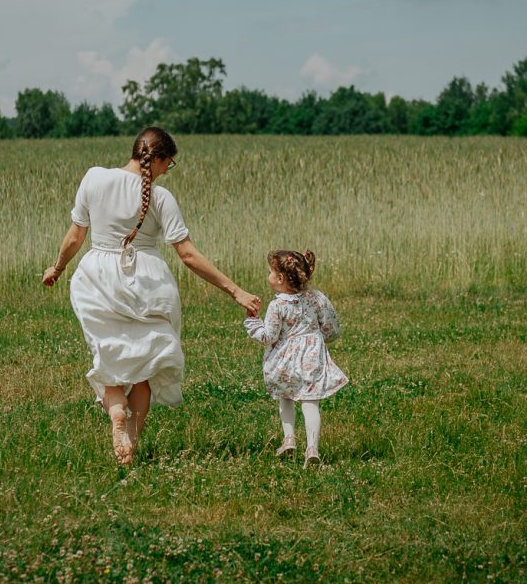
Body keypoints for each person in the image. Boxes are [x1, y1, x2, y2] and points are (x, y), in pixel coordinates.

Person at [42, 126, 261, 465]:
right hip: (146, 284)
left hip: (96, 280)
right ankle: (130, 440)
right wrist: (235, 290)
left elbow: (75, 236)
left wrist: (56, 268)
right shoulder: (160, 198)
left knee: (108, 360)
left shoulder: (94, 178)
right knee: (145, 367)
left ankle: (116, 414)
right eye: (167, 164)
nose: (164, 171)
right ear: (158, 159)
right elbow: (188, 255)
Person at [243, 250, 348, 467]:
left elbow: (268, 336)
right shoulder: (316, 298)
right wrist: (320, 340)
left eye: (270, 272)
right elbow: (330, 325)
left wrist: (252, 322)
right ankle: (312, 448)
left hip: (285, 358)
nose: (268, 275)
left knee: (286, 396)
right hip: (312, 356)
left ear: (280, 278)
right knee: (311, 402)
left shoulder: (277, 306)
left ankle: (289, 438)